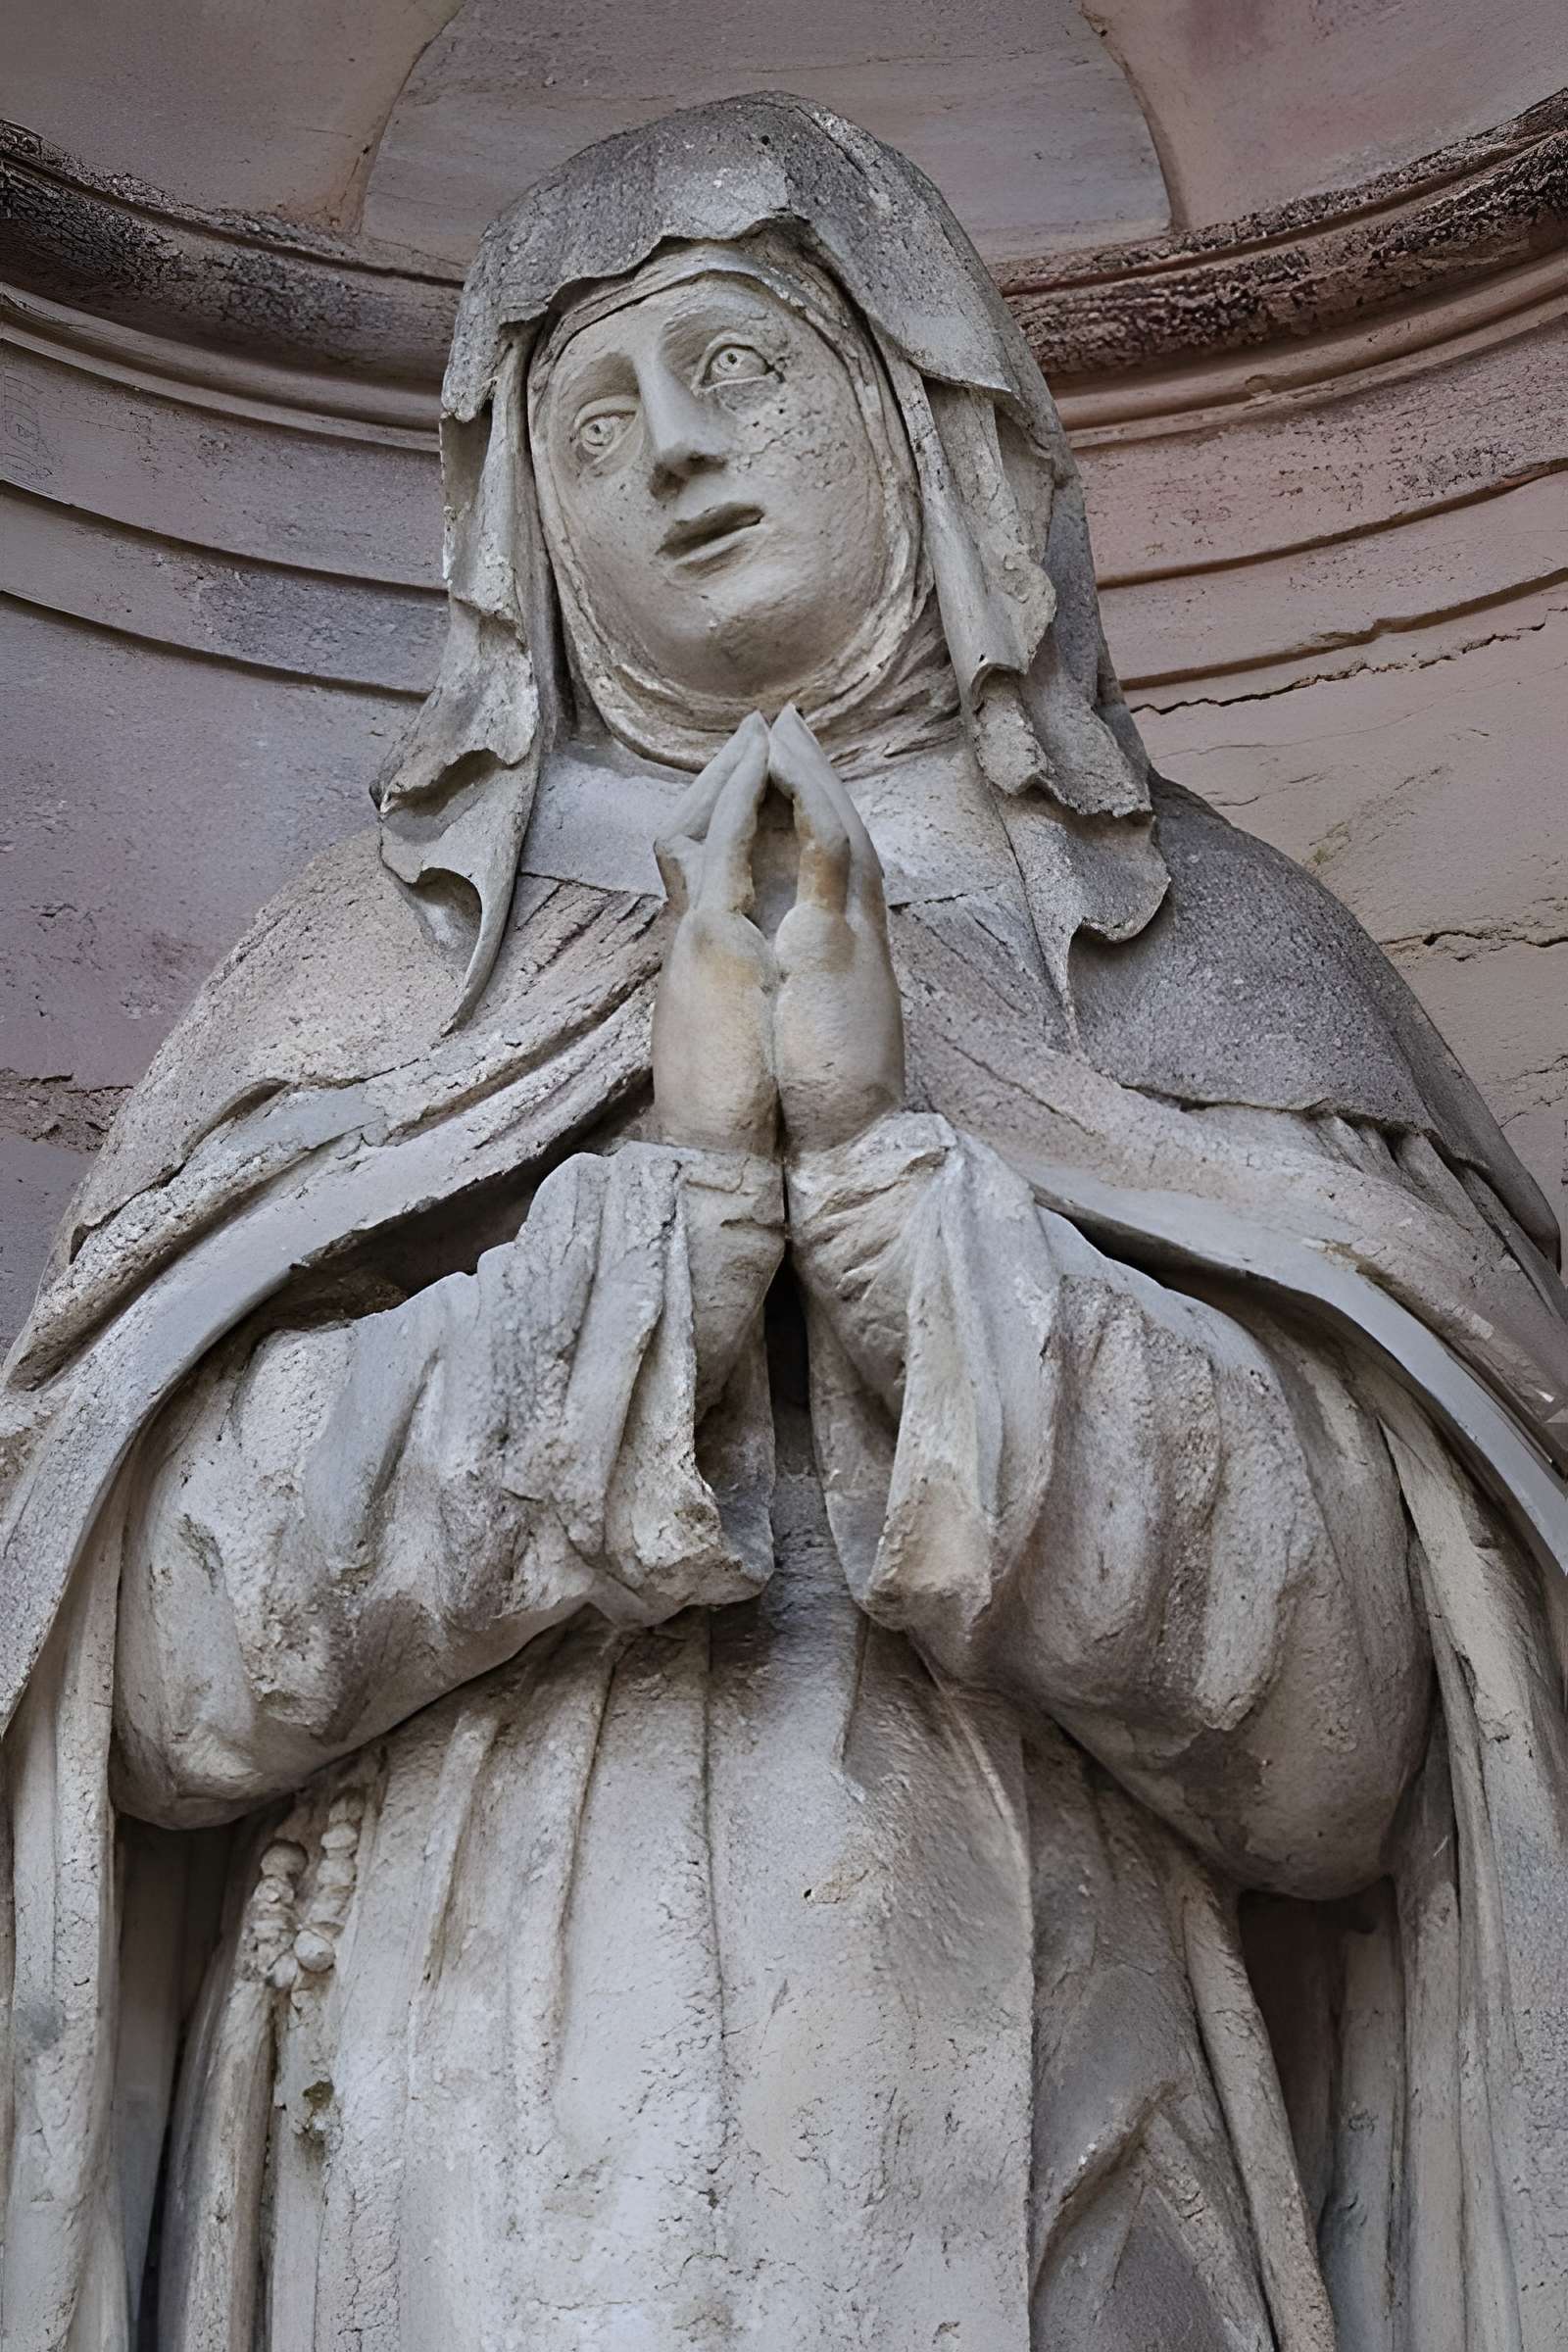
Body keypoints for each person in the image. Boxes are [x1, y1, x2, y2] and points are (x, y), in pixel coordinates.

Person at [3, 93, 1565, 2350]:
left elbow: (1360, 1752)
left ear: (921, 421)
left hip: (1059, 2084)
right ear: (508, 528)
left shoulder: (1204, 960)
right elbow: (142, 1670)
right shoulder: (362, 979)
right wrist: (674, 1220)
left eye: (736, 366)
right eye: (590, 415)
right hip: (463, 2116)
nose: (668, 456)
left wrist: (880, 1180)